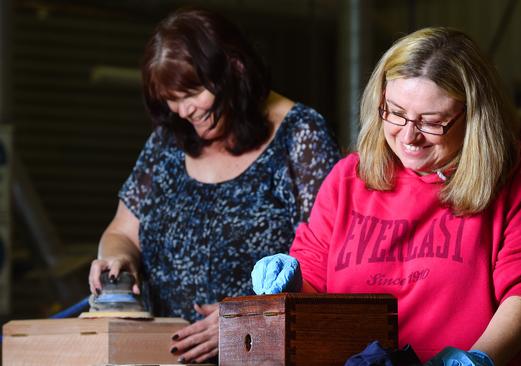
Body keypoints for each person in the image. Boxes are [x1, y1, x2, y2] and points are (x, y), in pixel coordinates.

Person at [252, 27, 521, 366]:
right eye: (396, 112)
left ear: (475, 117)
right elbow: (314, 282)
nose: (409, 136)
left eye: (432, 122)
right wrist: (290, 288)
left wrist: (479, 359)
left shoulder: (517, 181)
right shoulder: (348, 178)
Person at [87, 8, 341, 364]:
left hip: (263, 356)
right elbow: (123, 233)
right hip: (161, 354)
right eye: (171, 99)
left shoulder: (301, 135)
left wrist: (240, 322)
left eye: (191, 92)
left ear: (234, 68)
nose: (183, 110)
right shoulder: (168, 141)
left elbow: (324, 263)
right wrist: (115, 258)